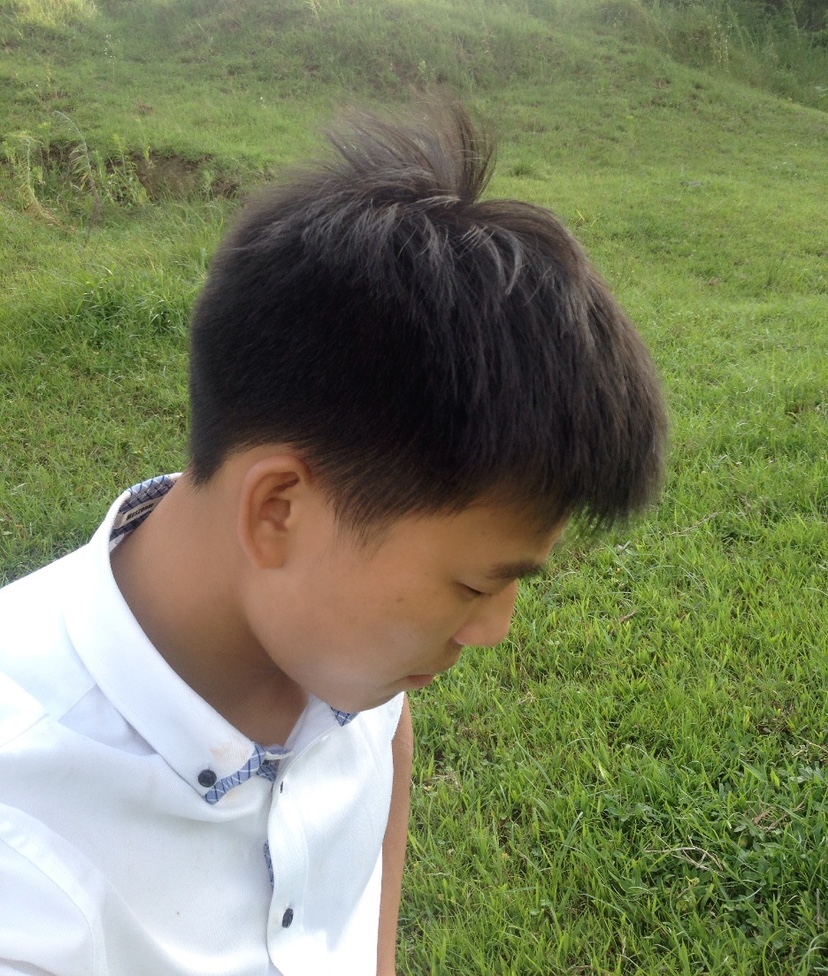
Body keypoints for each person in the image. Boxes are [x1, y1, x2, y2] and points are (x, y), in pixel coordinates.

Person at [0, 101, 667, 976]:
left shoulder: (344, 657)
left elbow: (382, 739)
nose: (494, 629)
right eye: (473, 586)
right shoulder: (25, 853)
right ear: (278, 509)